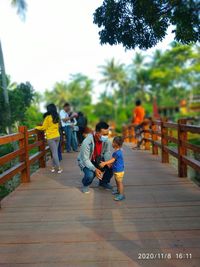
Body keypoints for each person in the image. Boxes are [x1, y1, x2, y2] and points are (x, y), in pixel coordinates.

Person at [77, 121, 113, 194]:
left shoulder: (106, 141)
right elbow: (85, 159)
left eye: (107, 134)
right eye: (104, 134)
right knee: (90, 175)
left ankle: (103, 182)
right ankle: (85, 184)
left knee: (111, 166)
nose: (106, 136)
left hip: (98, 159)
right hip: (86, 161)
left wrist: (108, 161)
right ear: (96, 133)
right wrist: (95, 169)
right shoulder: (87, 141)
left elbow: (107, 152)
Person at [35, 104, 62, 174]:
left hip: (51, 137)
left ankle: (59, 168)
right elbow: (58, 126)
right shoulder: (57, 116)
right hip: (57, 136)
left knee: (54, 153)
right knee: (54, 152)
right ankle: (53, 167)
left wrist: (36, 127)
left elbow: (43, 127)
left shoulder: (48, 117)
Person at [100, 136, 125, 201]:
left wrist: (105, 163)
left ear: (116, 144)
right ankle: (118, 191)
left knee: (119, 182)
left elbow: (113, 160)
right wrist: (110, 164)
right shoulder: (117, 151)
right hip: (116, 169)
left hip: (119, 170)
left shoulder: (117, 153)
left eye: (113, 142)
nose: (112, 143)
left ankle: (121, 195)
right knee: (117, 182)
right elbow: (115, 161)